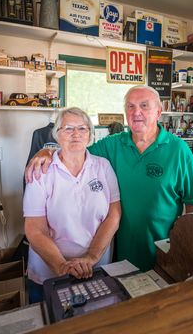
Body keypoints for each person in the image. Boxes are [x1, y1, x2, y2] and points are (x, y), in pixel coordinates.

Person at [27, 85, 193, 271]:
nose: (136, 112)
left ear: (158, 112)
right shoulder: (112, 145)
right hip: (119, 255)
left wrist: (190, 248)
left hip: (164, 253)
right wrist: (47, 151)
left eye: (144, 106)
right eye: (130, 106)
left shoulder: (179, 150)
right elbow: (76, 149)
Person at [23, 107, 121, 304]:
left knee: (96, 316)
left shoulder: (103, 166)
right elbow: (34, 228)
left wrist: (91, 257)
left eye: (82, 128)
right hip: (49, 273)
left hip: (95, 266)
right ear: (56, 135)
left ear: (90, 135)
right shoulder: (42, 170)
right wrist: (61, 266)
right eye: (68, 128)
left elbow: (113, 215)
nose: (76, 134)